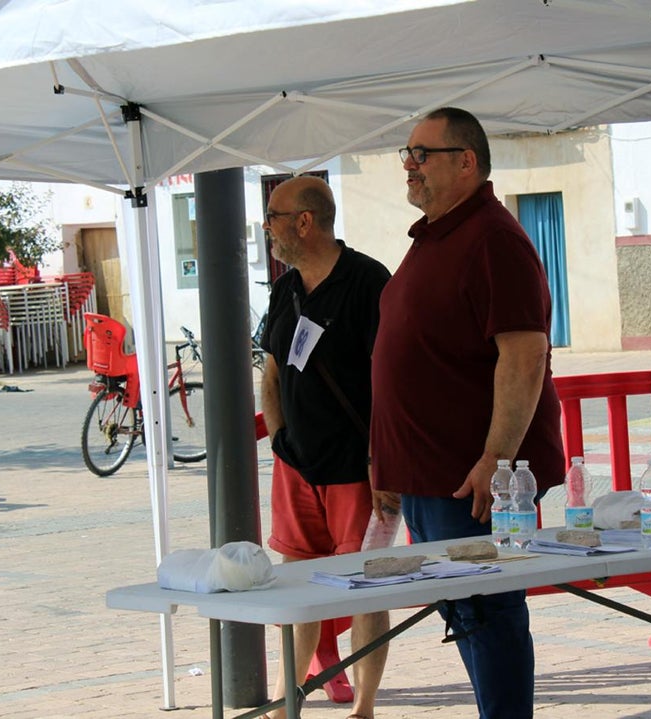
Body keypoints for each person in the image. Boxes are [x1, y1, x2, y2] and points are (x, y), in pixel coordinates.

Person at [370, 107, 564, 719]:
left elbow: (525, 354)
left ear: (466, 162)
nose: (409, 165)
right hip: (428, 475)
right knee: (468, 611)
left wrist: (497, 460)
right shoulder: (439, 236)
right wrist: (389, 462)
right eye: (407, 154)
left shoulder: (493, 239)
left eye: (421, 154)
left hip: (473, 481)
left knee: (487, 609)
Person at [259, 176, 392, 719]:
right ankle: (286, 698)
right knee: (296, 582)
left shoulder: (368, 282)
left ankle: (364, 708)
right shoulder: (284, 288)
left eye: (273, 215)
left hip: (358, 470)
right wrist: (278, 439)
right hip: (297, 466)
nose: (266, 226)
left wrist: (381, 460)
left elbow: (392, 380)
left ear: (304, 221)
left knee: (365, 589)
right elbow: (271, 372)